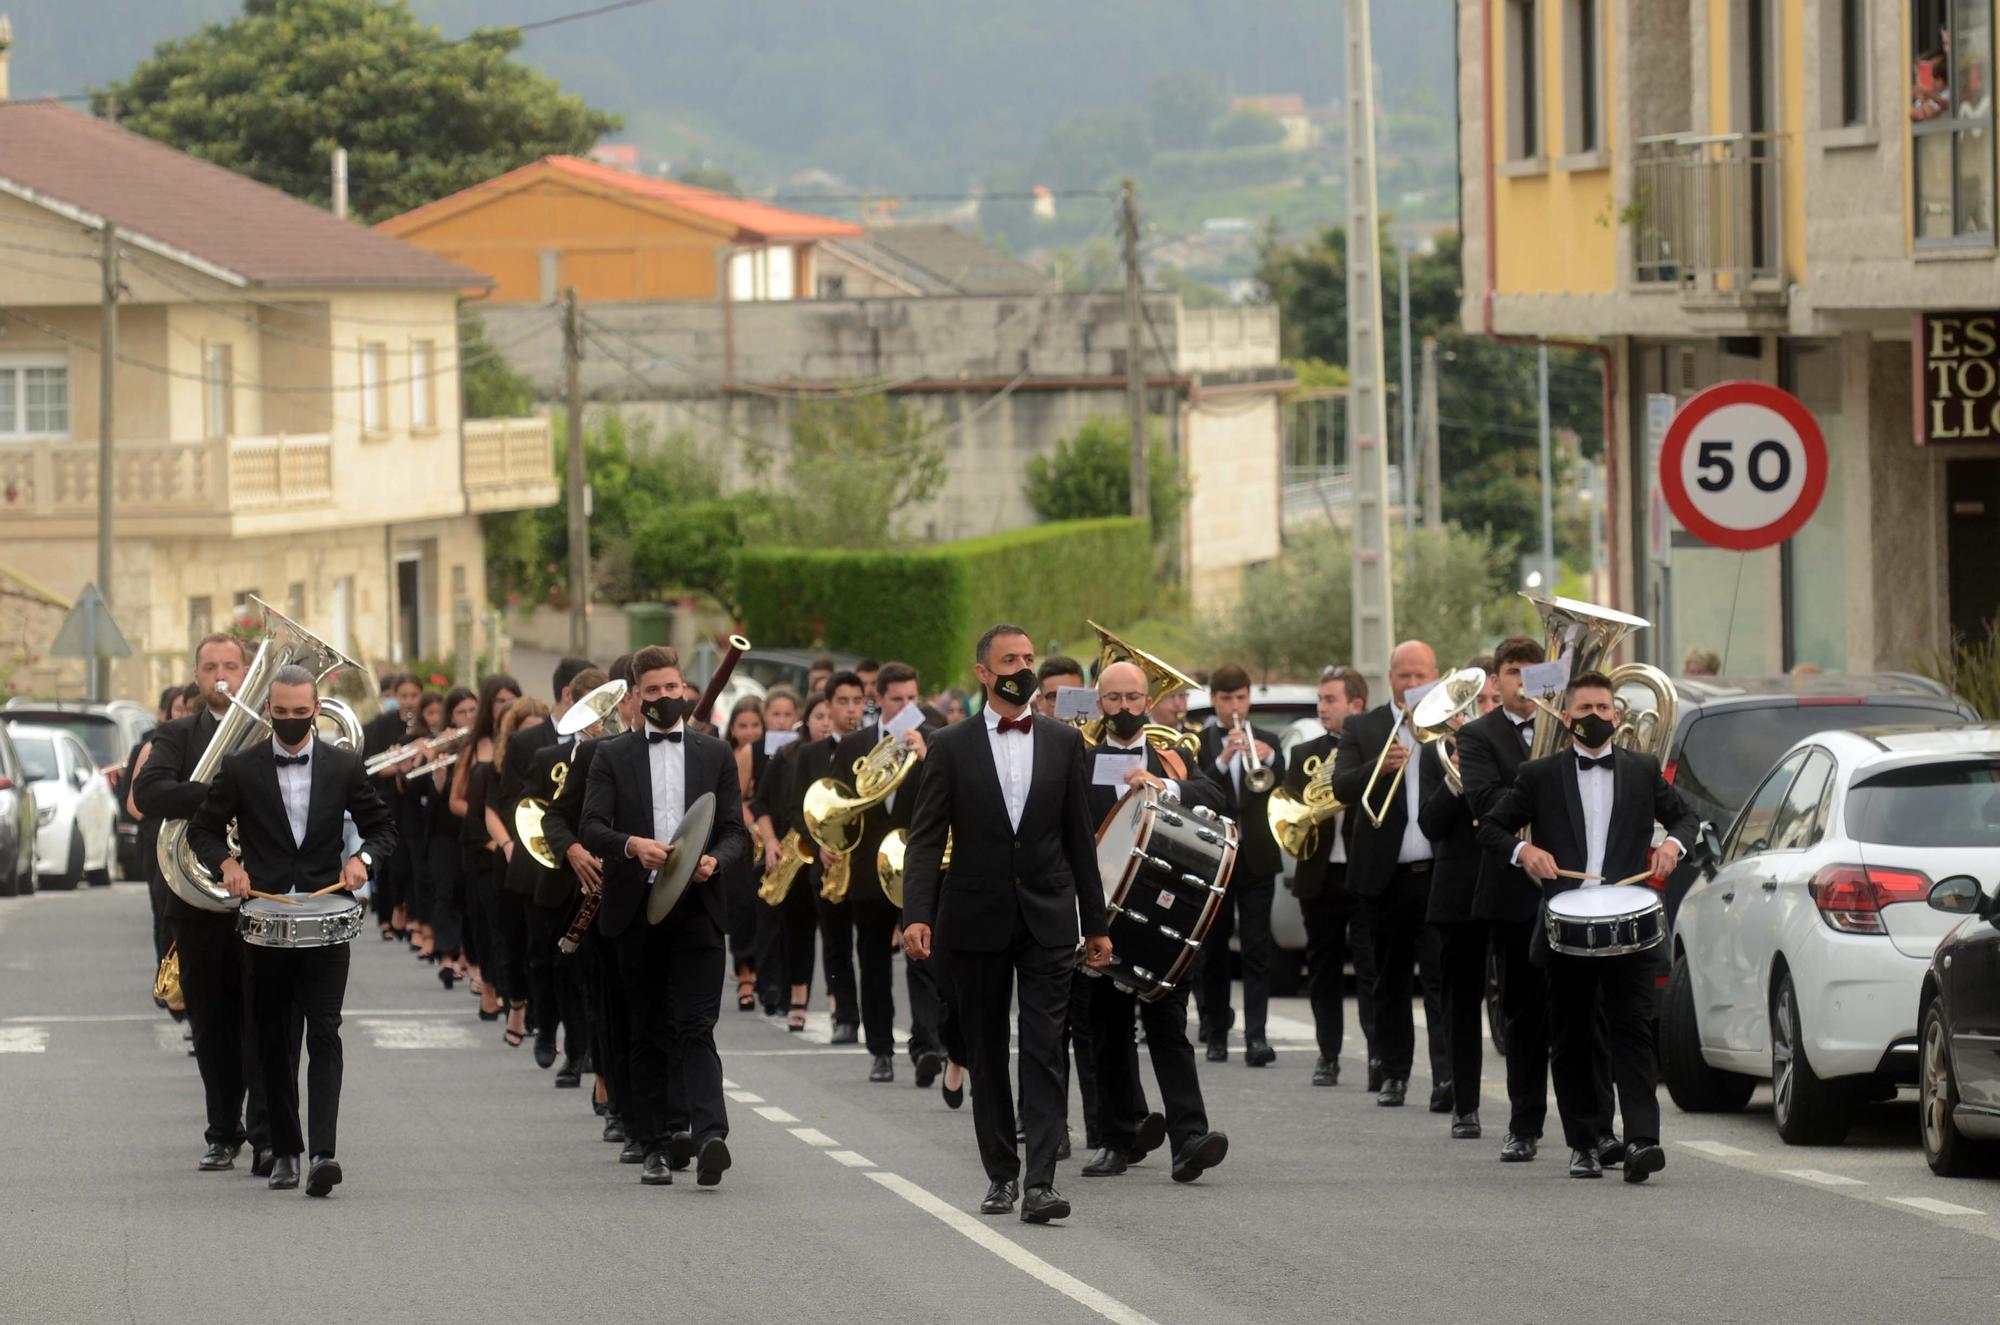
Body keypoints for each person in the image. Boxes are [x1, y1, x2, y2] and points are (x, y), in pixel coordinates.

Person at [901, 624, 1111, 1225]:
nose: (1023, 667)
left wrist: (1094, 924)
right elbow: (926, 838)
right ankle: (1001, 1175)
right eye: (1010, 660)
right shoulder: (950, 745)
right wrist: (917, 913)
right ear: (984, 673)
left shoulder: (1064, 743)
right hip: (974, 915)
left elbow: (1079, 839)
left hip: (1048, 915)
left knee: (1044, 1048)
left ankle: (1041, 1183)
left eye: (1028, 657)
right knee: (987, 1050)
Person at [1476, 670, 1699, 1184]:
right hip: (1566, 927)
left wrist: (1671, 847)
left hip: (1629, 926)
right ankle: (1584, 1142)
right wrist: (1523, 850)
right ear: (1566, 716)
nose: (1594, 718)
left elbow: (1686, 820)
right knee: (1572, 1036)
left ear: (1617, 717)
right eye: (1584, 710)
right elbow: (1489, 826)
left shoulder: (1643, 771)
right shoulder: (1540, 776)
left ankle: (1643, 1139)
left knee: (1633, 1034)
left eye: (1603, 709)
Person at [186, 664, 398, 1197]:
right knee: (275, 1039)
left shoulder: (344, 766)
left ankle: (324, 1152)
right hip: (266, 921)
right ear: (268, 712)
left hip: (327, 921)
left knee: (324, 1033)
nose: (291, 722)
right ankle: (284, 1149)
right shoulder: (241, 768)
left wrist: (363, 861)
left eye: (301, 714)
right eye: (281, 714)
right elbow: (203, 830)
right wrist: (227, 867)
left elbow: (382, 828)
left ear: (317, 709)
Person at [580, 645, 752, 1188]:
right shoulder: (611, 756)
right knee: (649, 1030)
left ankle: (709, 1136)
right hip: (637, 911)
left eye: (671, 688)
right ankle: (655, 1142)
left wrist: (713, 862)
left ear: (685, 690)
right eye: (651, 690)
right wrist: (632, 845)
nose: (663, 698)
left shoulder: (713, 754)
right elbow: (591, 827)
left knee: (697, 1026)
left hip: (698, 908)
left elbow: (734, 832)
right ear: (636, 697)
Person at [1078, 659, 1229, 1184]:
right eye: (1114, 699)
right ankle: (1116, 1139)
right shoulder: (1082, 759)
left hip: (1163, 911)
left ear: (1147, 701)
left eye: (1133, 698)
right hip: (1102, 913)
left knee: (1169, 1028)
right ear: (1100, 703)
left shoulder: (1175, 755)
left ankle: (1190, 1139)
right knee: (1107, 1029)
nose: (1124, 708)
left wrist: (1166, 785)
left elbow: (1216, 797)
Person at [133, 633, 273, 1174]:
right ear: (197, 677)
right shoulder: (175, 734)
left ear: (246, 674)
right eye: (210, 666)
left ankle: (265, 1134)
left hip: (261, 897)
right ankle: (222, 1131)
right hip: (195, 902)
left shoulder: (268, 734)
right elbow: (148, 793)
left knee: (264, 1022)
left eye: (231, 666)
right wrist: (222, 792)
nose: (221, 674)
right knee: (211, 1025)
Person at [1331, 640, 1451, 1109]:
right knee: (1390, 979)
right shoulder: (1365, 726)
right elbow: (1340, 787)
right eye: (1405, 675)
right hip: (1384, 876)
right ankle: (1394, 1073)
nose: (1414, 683)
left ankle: (1446, 1078)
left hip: (1439, 873)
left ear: (1437, 676)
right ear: (1390, 678)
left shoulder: (1450, 726)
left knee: (1442, 982)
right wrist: (1379, 768)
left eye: (1422, 674)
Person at [828, 662, 945, 1085]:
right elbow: (840, 802)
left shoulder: (935, 739)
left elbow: (952, 796)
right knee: (873, 961)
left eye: (913, 698)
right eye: (898, 699)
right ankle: (880, 1050)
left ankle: (926, 1045)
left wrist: (925, 754)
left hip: (917, 866)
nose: (907, 706)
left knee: (925, 958)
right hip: (868, 867)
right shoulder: (857, 743)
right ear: (880, 700)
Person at [518, 666, 611, 1090]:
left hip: (609, 879)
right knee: (564, 968)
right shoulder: (549, 758)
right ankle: (573, 1052)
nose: (597, 719)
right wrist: (569, 850)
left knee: (599, 974)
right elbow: (539, 817)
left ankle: (594, 1051)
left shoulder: (618, 754)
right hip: (562, 879)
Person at [1282, 665, 1376, 1087]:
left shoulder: (1376, 748)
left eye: (1330, 700)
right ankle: (1328, 1055)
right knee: (1323, 971)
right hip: (1319, 875)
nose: (1322, 707)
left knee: (1372, 968)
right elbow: (1290, 812)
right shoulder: (1305, 755)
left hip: (1365, 872)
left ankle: (1380, 1056)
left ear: (1356, 704)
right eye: (1320, 699)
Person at [1418, 655, 1497, 1141]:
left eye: (1490, 700)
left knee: (1521, 1004)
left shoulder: (1520, 750)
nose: (1481, 709)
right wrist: (1457, 776)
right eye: (1475, 701)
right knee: (1461, 1002)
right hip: (1458, 891)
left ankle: (1528, 1110)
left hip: (1512, 884)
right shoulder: (1437, 755)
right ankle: (1464, 1104)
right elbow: (1429, 825)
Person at [1193, 663, 1287, 1066]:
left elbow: (1281, 785)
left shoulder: (1266, 739)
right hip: (1215, 858)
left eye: (1241, 698)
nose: (1235, 706)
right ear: (1215, 700)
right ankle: (1216, 1033)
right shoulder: (1199, 743)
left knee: (1256, 950)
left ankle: (1257, 1038)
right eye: (1227, 698)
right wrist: (1224, 757)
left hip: (1257, 859)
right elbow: (1196, 788)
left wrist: (1272, 757)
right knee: (1213, 953)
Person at [751, 689, 833, 1031]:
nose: (826, 723)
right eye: (819, 717)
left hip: (832, 853)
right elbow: (761, 803)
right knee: (792, 927)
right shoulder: (787, 755)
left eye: (831, 716)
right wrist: (770, 842)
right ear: (806, 720)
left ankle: (825, 999)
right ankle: (787, 993)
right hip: (792, 850)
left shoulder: (848, 753)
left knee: (830, 931)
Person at [451, 675, 522, 1023]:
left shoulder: (524, 743)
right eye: (498, 700)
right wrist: (485, 820)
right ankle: (492, 990)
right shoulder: (473, 745)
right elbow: (456, 800)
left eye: (511, 699)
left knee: (511, 925)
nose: (504, 706)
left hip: (516, 840)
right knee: (486, 922)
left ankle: (513, 992)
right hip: (480, 844)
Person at [486, 698, 552, 1049]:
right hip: (514, 855)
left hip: (548, 855)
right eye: (527, 731)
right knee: (513, 939)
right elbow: (494, 808)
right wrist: (510, 846)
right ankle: (516, 1005)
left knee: (541, 941)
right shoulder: (501, 764)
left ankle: (545, 1016)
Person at [812, 670, 870, 1044]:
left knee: (869, 945)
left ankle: (875, 1014)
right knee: (835, 946)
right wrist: (817, 840)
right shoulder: (807, 753)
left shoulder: (874, 747)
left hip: (865, 861)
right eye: (843, 702)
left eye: (857, 701)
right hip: (829, 861)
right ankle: (845, 1015)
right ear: (827, 706)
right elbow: (795, 806)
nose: (851, 710)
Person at [724, 695, 768, 1013]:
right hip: (745, 838)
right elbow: (736, 800)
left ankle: (764, 972)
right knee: (743, 906)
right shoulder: (732, 755)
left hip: (769, 833)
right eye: (743, 725)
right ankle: (745, 975)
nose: (750, 731)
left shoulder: (772, 752)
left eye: (755, 725)